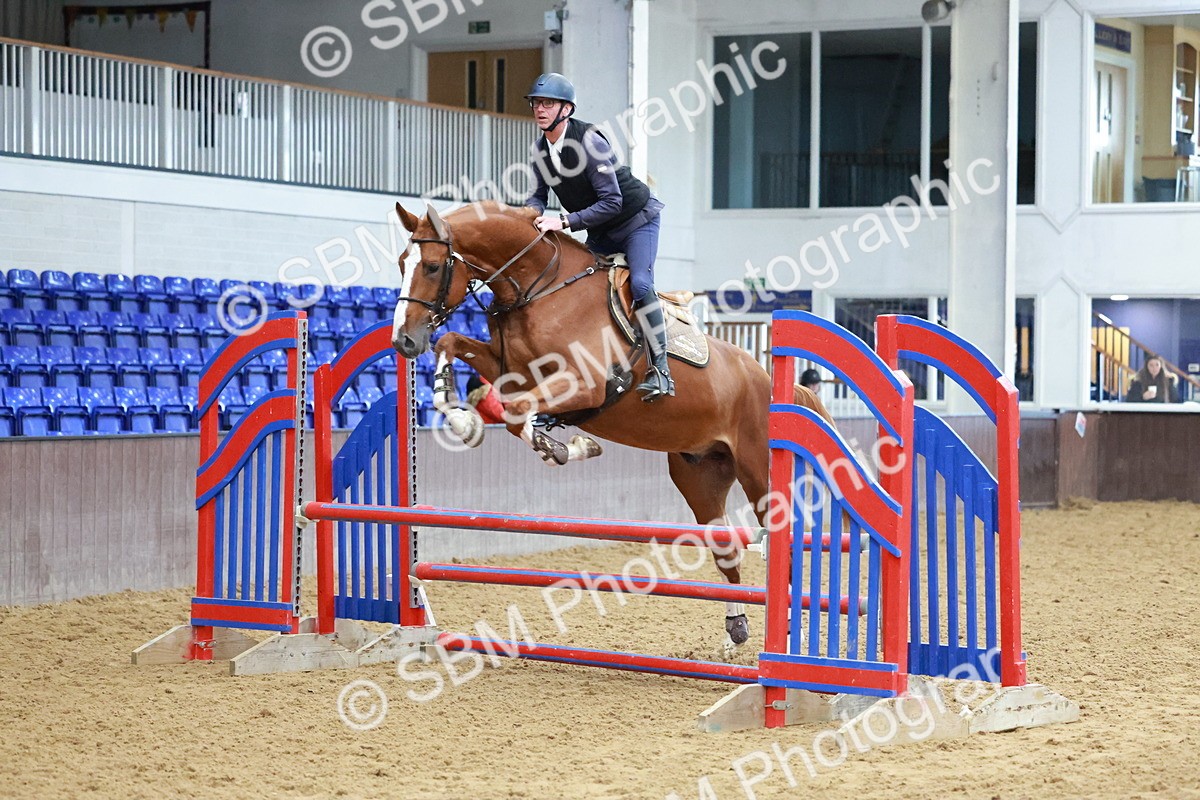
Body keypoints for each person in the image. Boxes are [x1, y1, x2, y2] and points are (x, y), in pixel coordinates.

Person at [522, 72, 673, 402]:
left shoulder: (589, 141)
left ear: (566, 109)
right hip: (601, 228)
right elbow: (538, 194)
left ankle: (661, 369)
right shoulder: (539, 150)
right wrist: (529, 214)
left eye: (547, 103)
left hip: (636, 221)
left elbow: (613, 201)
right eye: (536, 103)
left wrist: (563, 222)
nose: (539, 109)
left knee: (642, 285)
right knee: (578, 285)